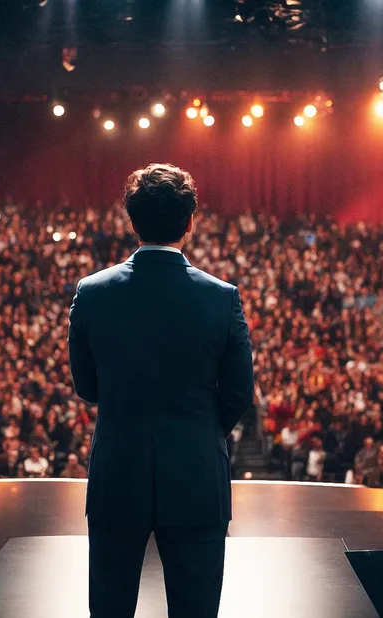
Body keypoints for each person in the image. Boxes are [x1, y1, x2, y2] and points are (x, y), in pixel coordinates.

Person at [69, 163, 255, 618]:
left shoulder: (91, 292)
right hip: (196, 479)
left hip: (118, 474)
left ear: (132, 222)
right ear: (190, 223)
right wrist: (201, 430)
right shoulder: (221, 296)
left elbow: (86, 385)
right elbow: (238, 392)